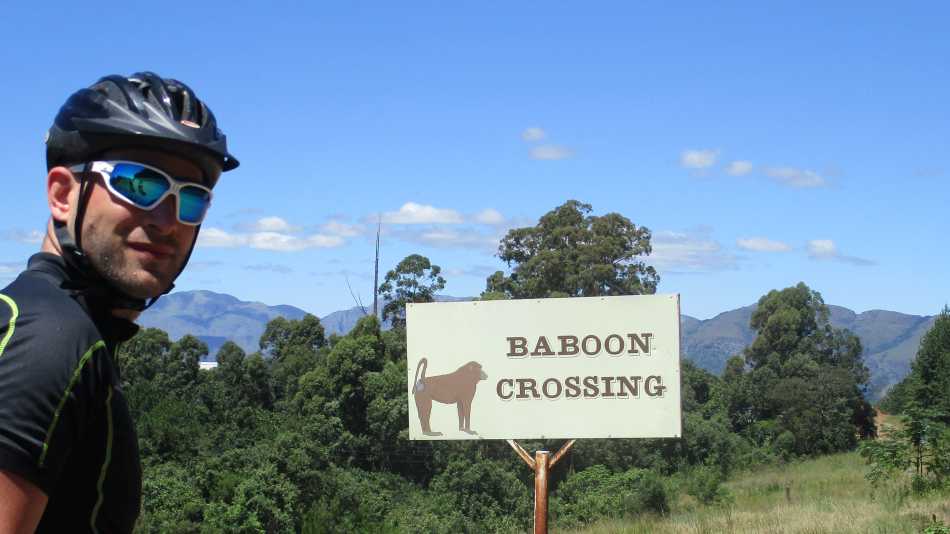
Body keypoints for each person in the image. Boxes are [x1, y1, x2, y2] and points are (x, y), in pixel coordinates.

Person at [0, 72, 238, 533]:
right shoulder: (51, 343)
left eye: (192, 199)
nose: (168, 221)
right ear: (63, 195)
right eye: (140, 184)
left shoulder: (49, 322)